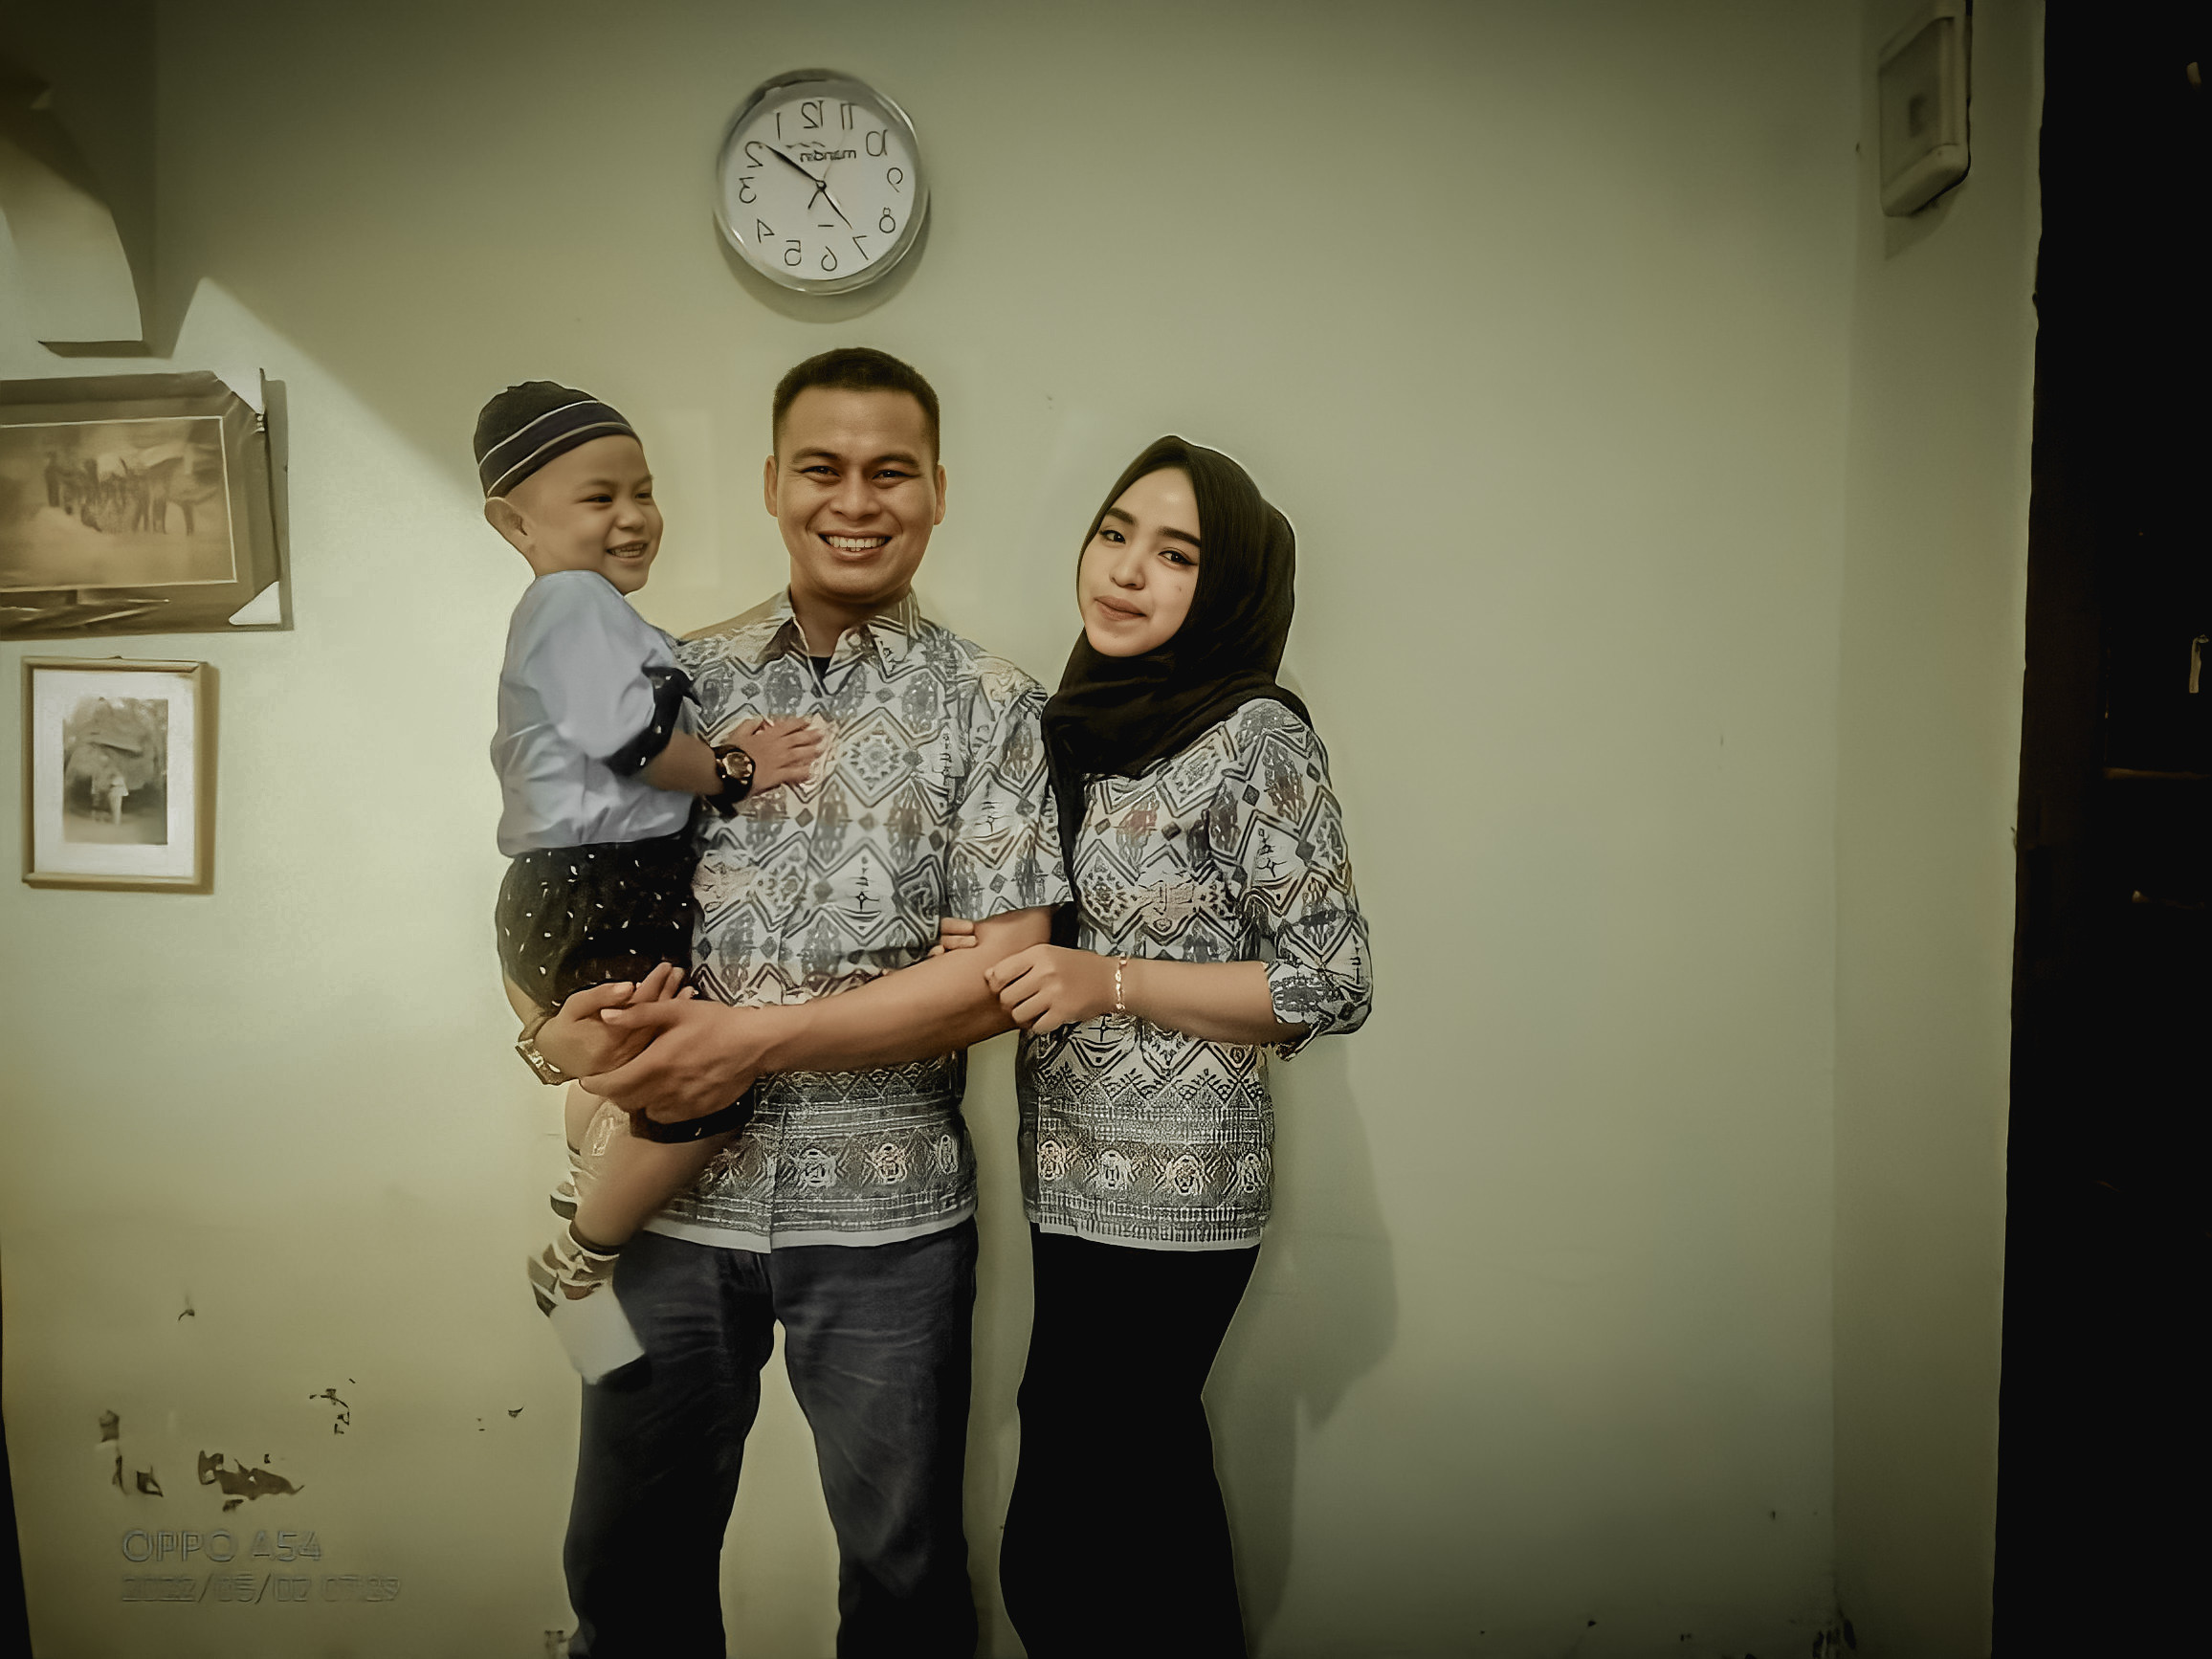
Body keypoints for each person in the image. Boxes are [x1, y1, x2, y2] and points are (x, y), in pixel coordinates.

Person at [525, 347, 1070, 1659]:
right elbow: (556, 879)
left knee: (904, 1569)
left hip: (892, 1223)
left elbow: (1000, 976)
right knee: (621, 1560)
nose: (856, 500)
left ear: (938, 490)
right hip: (656, 1219)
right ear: (773, 482)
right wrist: (542, 1031)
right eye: (822, 468)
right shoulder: (669, 675)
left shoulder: (998, 704)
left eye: (892, 471)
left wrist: (751, 1039)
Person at [982, 436, 1373, 1657]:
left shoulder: (1252, 734)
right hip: (1068, 1165)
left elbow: (1329, 977)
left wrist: (1107, 980)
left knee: (1095, 1506)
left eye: (1176, 555)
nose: (1125, 570)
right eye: (1114, 534)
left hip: (1180, 1179)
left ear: (1230, 585)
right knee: (1119, 1486)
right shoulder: (1080, 721)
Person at [476, 381, 823, 1382]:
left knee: (624, 1064)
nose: (633, 517)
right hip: (601, 885)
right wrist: (733, 768)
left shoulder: (584, 614)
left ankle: (579, 1187)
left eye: (644, 491)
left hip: (578, 882)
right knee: (698, 1094)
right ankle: (579, 1257)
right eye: (599, 497)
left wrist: (709, 751)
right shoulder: (571, 601)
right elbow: (633, 745)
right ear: (515, 523)